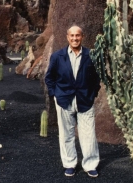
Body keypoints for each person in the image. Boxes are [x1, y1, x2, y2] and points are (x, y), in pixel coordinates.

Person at [45, 24, 101, 178]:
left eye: (78, 35)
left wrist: (93, 93)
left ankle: (90, 164)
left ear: (82, 37)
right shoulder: (57, 56)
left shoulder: (91, 55)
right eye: (72, 36)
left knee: (88, 134)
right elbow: (49, 78)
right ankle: (70, 164)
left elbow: (96, 78)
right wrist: (55, 94)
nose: (75, 38)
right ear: (67, 37)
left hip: (85, 100)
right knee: (66, 134)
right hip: (64, 100)